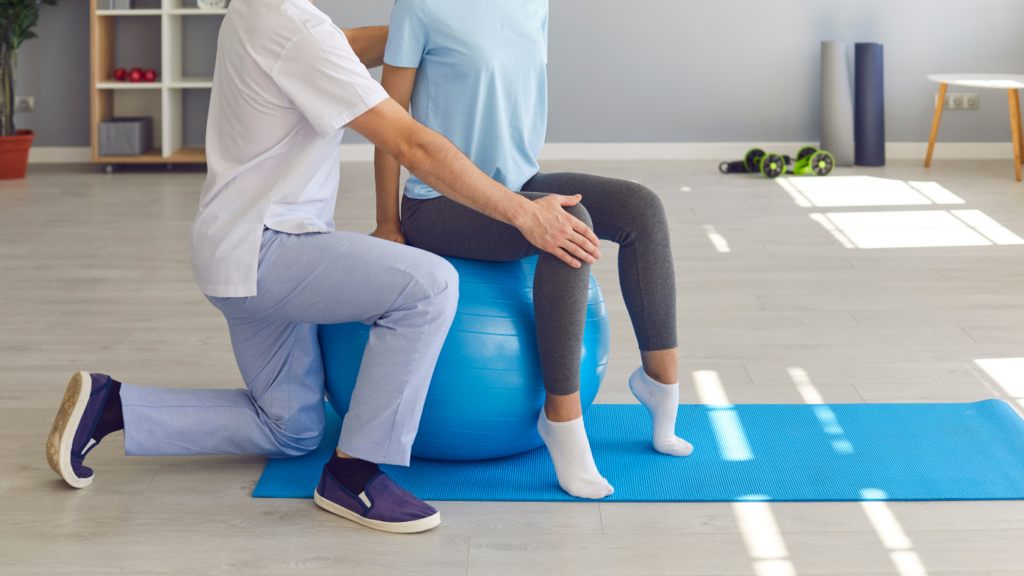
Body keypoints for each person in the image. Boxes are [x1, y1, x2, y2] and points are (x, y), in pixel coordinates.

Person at [46, 0, 599, 534]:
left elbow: (342, 47)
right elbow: (411, 144)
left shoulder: (262, 11)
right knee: (428, 287)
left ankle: (112, 406)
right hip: (270, 251)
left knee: (290, 429)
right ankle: (353, 475)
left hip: (234, 251)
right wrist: (522, 213)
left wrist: (425, 29)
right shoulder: (295, 25)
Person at [373, 0, 693, 500]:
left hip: (519, 184)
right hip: (438, 203)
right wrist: (387, 222)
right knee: (568, 224)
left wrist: (526, 197)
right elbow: (387, 127)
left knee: (642, 209)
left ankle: (661, 385)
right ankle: (561, 420)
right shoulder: (419, 6)